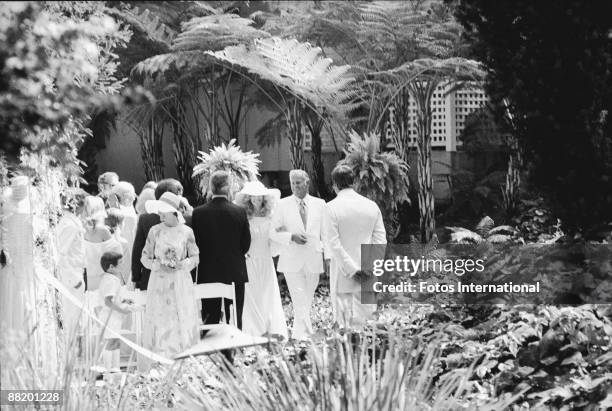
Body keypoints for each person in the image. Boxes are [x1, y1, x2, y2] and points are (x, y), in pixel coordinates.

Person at [140, 192, 200, 366]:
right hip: (159, 281)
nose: (160, 215)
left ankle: (183, 358)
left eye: (163, 211)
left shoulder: (187, 231)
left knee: (181, 314)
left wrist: (182, 264)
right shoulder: (155, 231)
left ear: (173, 212)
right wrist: (158, 265)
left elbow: (196, 257)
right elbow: (144, 258)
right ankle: (160, 359)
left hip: (180, 281)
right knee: (161, 316)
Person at [323, 165, 386, 328]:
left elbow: (333, 244)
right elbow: (380, 240)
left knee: (345, 324)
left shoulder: (331, 208)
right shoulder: (371, 206)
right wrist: (371, 266)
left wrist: (352, 269)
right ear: (354, 183)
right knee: (368, 321)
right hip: (368, 273)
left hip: (343, 273)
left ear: (334, 185)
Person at [272, 169, 327, 340]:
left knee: (306, 300)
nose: (295, 186)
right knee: (299, 298)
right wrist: (291, 237)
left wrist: (323, 249)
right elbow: (272, 232)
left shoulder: (320, 204)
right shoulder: (281, 205)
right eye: (292, 183)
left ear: (307, 183)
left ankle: (300, 336)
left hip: (313, 258)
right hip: (291, 260)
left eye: (298, 183)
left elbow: (326, 232)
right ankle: (303, 337)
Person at [192, 171, 250, 330]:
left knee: (210, 316)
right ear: (228, 187)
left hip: (208, 271)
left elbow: (195, 244)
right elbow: (246, 244)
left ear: (211, 187)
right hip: (234, 271)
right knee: (235, 316)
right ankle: (233, 350)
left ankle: (212, 350)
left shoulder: (198, 213)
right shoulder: (239, 212)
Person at [234, 181, 288, 339]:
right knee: (251, 295)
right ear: (248, 198)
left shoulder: (271, 217)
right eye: (253, 197)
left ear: (265, 198)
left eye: (260, 197)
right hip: (249, 260)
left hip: (265, 259)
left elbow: (275, 243)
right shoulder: (244, 216)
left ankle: (270, 329)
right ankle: (253, 332)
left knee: (266, 294)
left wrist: (282, 237)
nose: (257, 200)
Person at [131, 179, 183, 290]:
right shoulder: (185, 219)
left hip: (150, 276)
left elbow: (138, 249)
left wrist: (136, 277)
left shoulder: (145, 219)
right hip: (177, 277)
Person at [56, 187, 88, 341]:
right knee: (71, 318)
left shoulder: (71, 222)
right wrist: (72, 278)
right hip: (71, 279)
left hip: (75, 274)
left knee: (75, 318)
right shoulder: (69, 225)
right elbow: (61, 253)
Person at [97, 251, 134, 372]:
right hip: (110, 317)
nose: (122, 266)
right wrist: (122, 310)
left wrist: (124, 301)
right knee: (111, 342)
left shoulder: (111, 278)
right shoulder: (110, 280)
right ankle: (109, 369)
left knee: (115, 341)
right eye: (120, 263)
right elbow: (108, 301)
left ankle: (115, 367)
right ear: (111, 267)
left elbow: (114, 298)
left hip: (113, 317)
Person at [82, 196, 122, 291]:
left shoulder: (83, 228)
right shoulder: (102, 230)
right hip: (103, 275)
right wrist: (116, 234)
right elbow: (118, 250)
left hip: (88, 275)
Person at [105, 208, 132, 286]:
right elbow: (126, 267)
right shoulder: (123, 243)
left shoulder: (100, 240)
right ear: (119, 224)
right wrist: (127, 283)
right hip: (117, 280)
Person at [112, 181, 138, 248]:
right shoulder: (129, 215)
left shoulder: (111, 211)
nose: (134, 198)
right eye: (133, 194)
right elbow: (132, 240)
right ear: (125, 195)